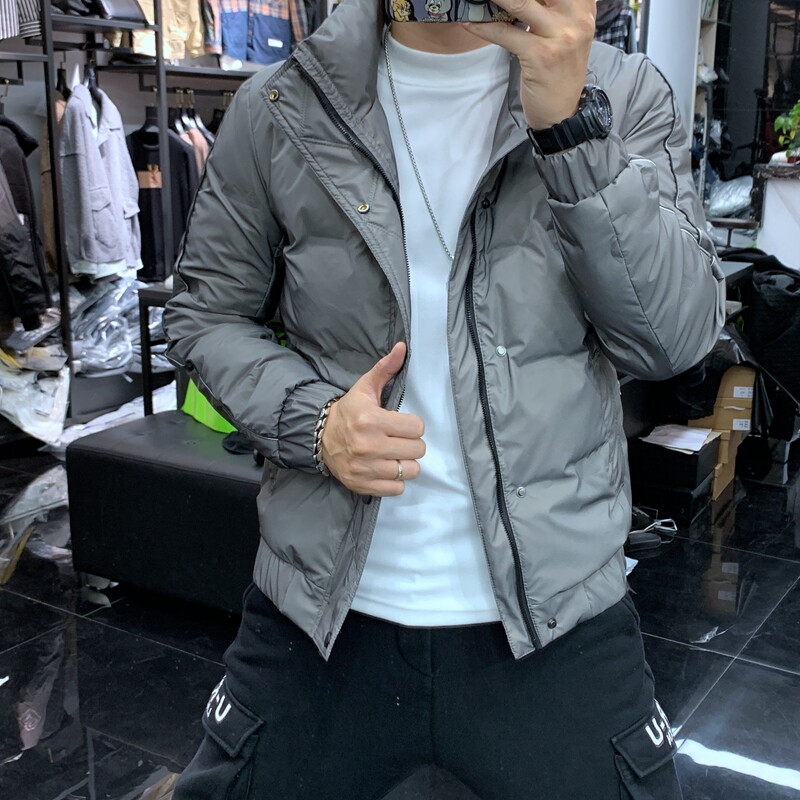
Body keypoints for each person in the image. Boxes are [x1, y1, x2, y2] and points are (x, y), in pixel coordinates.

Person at [164, 0, 725, 796]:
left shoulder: (620, 92)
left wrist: (572, 131)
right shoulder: (283, 102)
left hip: (558, 612)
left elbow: (673, 339)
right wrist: (315, 422)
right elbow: (205, 316)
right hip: (320, 609)